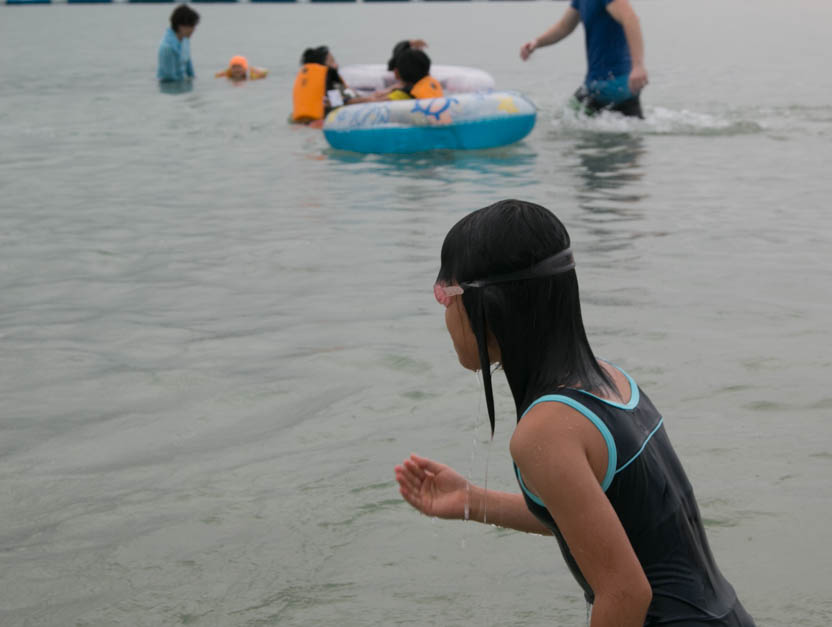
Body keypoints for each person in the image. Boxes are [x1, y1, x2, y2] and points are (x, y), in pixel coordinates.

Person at [394, 200, 755, 627]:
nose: (445, 313)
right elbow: (605, 527)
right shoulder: (610, 382)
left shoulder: (544, 430)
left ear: (488, 306)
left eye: (445, 294)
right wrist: (472, 501)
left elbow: (625, 593)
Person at [520, 0, 648, 118]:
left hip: (615, 85)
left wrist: (638, 66)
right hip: (599, 86)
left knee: (565, 124)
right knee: (565, 120)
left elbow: (630, 19)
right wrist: (536, 43)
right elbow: (564, 27)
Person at [290, 46, 356, 124]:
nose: (336, 65)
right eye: (332, 61)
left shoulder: (305, 78)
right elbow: (336, 103)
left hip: (298, 121)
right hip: (322, 121)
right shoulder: (329, 75)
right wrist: (368, 99)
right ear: (323, 64)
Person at [157, 4, 199, 83]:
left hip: (181, 83)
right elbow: (169, 78)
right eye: (192, 26)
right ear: (181, 26)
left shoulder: (185, 41)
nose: (194, 29)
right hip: (168, 86)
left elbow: (190, 70)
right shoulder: (167, 47)